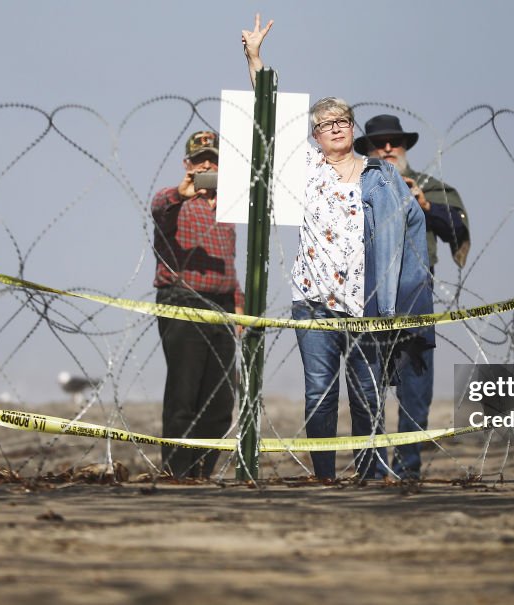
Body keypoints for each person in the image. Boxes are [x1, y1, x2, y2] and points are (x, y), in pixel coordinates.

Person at [242, 15, 433, 481]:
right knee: (320, 393)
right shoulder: (307, 167)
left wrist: (406, 292)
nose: (335, 128)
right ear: (315, 135)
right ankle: (325, 473)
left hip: (367, 302)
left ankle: (370, 472)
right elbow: (267, 118)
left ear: (352, 127)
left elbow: (410, 228)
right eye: (325, 124)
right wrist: (255, 59)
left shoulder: (381, 174)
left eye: (342, 121)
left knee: (367, 394)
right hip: (313, 301)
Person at [354, 115, 469, 479]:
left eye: (395, 142)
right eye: (379, 143)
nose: (388, 148)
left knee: (415, 389)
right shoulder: (353, 187)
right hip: (366, 296)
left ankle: (407, 468)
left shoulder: (432, 188)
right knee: (366, 388)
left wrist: (425, 207)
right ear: (368, 150)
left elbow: (458, 230)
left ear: (405, 147)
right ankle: (370, 468)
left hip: (414, 294)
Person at [152, 130, 244, 479]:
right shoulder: (175, 204)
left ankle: (203, 470)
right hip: (183, 302)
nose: (207, 163)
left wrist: (238, 304)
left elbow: (229, 262)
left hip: (220, 306)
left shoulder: (228, 208)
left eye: (214, 159)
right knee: (184, 396)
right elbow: (158, 205)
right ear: (187, 164)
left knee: (220, 399)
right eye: (200, 159)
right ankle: (177, 472)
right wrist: (181, 191)